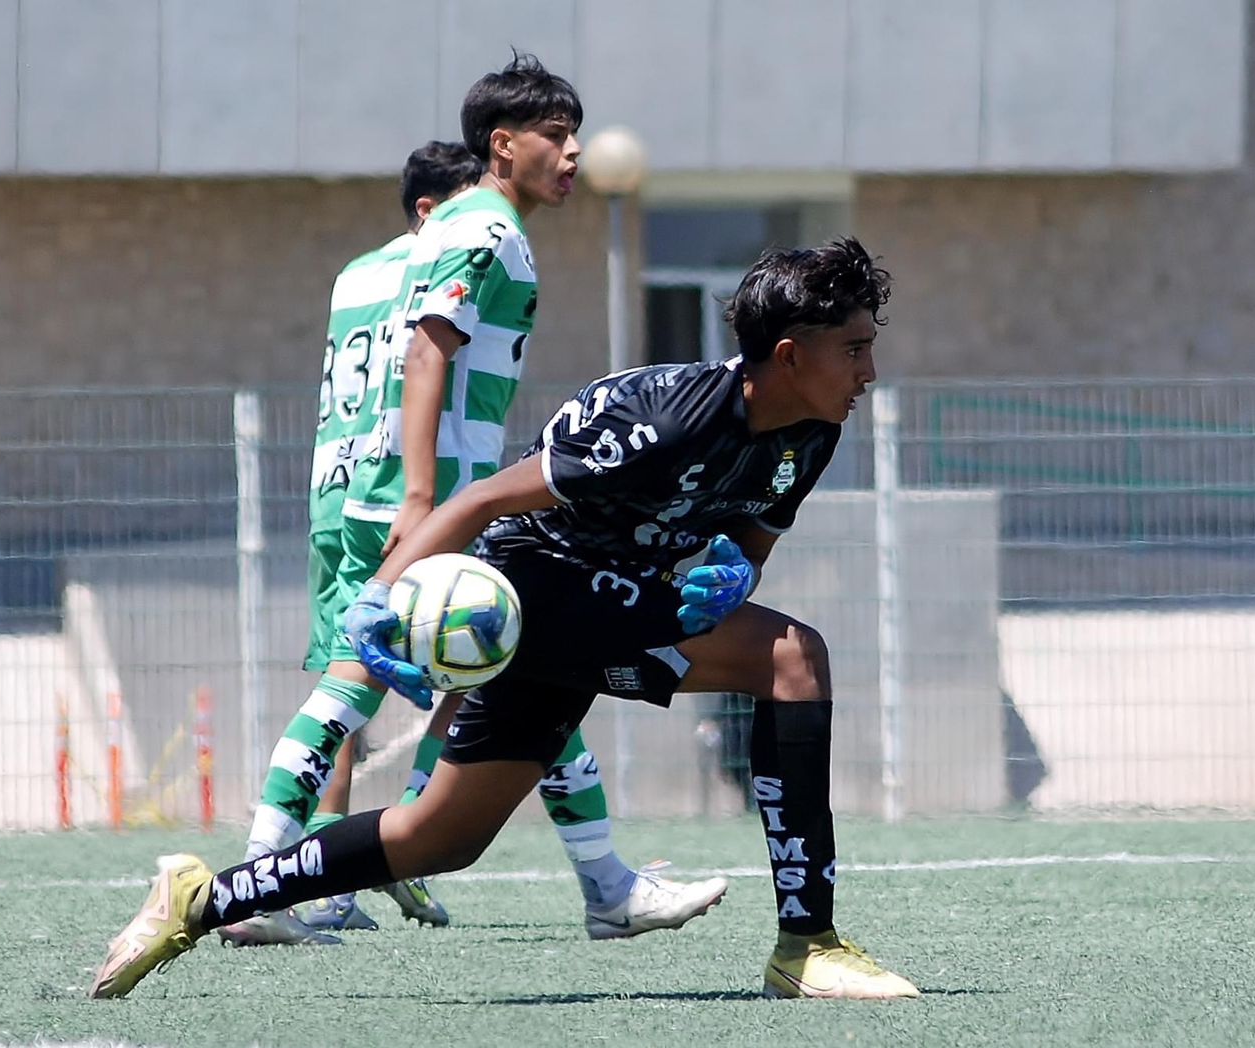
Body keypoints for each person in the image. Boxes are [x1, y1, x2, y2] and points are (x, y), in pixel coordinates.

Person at [91, 236, 921, 1001]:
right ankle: (806, 944)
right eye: (855, 349)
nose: (869, 371)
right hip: (532, 588)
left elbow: (748, 543)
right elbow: (486, 498)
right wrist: (379, 597)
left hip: (604, 604)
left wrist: (732, 576)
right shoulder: (658, 417)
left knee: (436, 840)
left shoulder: (810, 432)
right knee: (792, 658)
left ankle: (203, 898)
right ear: (789, 354)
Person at [233, 53, 725, 944]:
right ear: (502, 145)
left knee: (519, 670)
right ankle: (261, 886)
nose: (573, 153)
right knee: (352, 691)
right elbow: (429, 354)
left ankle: (604, 885)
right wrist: (425, 497)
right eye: (556, 136)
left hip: (382, 492)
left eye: (576, 136)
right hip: (428, 498)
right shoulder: (484, 229)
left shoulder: (435, 233)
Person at [228, 139, 483, 945]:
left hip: (335, 491)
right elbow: (423, 367)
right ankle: (398, 839)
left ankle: (324, 878)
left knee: (345, 683)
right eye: (471, 199)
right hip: (404, 496)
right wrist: (422, 489)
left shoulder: (355, 271)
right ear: (430, 209)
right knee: (487, 658)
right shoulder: (435, 264)